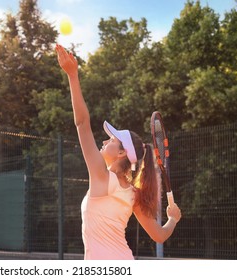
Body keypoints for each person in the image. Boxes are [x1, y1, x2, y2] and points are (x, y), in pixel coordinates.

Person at [55, 44, 182, 260]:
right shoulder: (133, 194)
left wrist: (73, 75)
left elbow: (82, 123)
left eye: (112, 139)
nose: (104, 140)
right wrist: (173, 219)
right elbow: (159, 235)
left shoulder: (102, 177)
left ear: (122, 153)